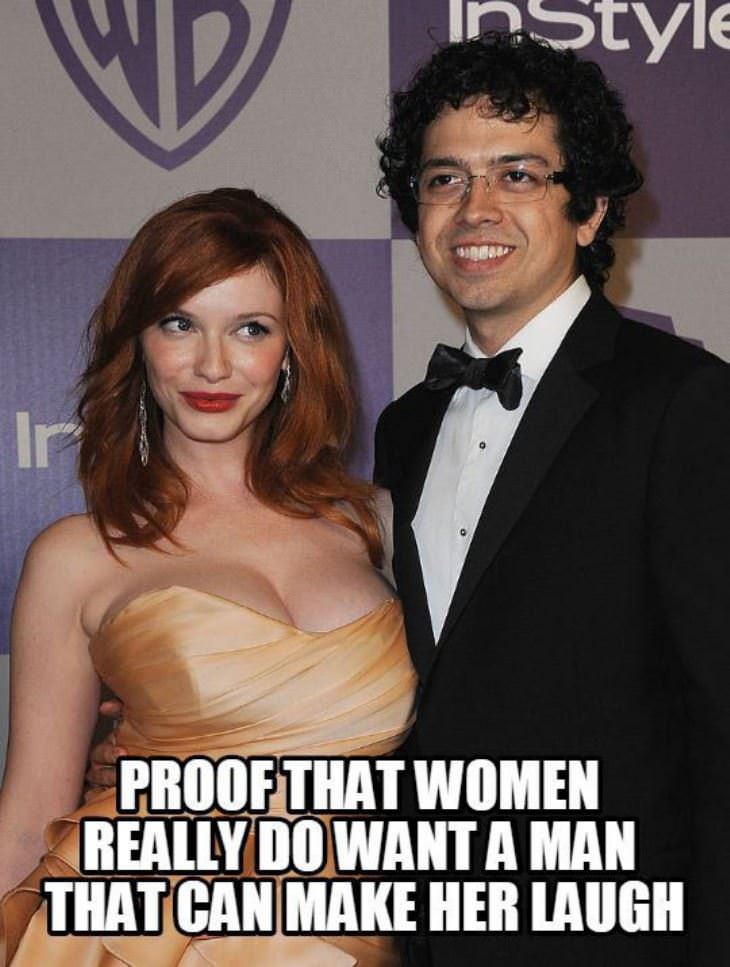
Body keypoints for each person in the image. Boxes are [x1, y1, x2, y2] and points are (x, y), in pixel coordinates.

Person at [374, 30, 730, 967]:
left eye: (518, 174)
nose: (475, 208)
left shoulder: (685, 403)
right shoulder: (405, 427)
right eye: (445, 178)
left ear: (591, 209)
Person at [0, 188, 417, 965]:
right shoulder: (76, 556)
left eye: (250, 328)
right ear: (139, 341)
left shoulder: (379, 526)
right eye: (179, 323)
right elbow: (26, 822)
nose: (212, 364)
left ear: (292, 348)